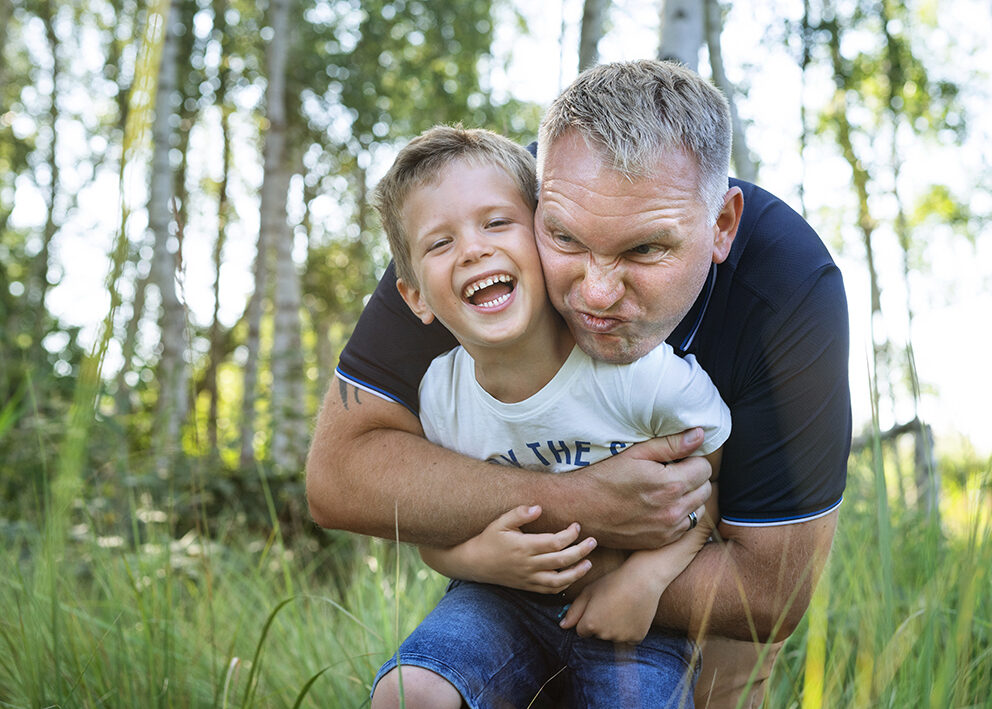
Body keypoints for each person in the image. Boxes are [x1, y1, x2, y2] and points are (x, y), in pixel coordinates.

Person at [306, 59, 851, 708]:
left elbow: (767, 594)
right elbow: (343, 475)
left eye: (645, 249)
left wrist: (629, 573)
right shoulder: (478, 220)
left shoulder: (789, 292)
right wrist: (575, 504)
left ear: (722, 226)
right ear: (541, 200)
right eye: (564, 238)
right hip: (506, 587)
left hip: (685, 588)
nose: (595, 294)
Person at [364, 125, 732, 708]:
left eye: (496, 223)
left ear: (545, 240)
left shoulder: (636, 372)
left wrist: (648, 580)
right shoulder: (439, 396)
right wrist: (475, 560)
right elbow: (433, 533)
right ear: (415, 297)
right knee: (410, 691)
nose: (473, 250)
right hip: (497, 599)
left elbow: (709, 486)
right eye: (439, 243)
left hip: (635, 610)